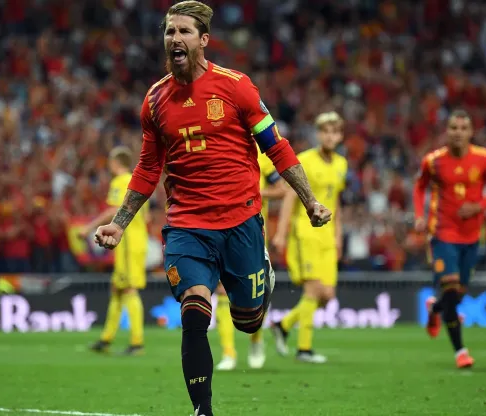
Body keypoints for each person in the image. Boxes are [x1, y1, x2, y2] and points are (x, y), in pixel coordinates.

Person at [92, 2, 332, 415]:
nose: (175, 39)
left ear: (203, 39)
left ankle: (261, 287)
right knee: (195, 310)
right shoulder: (154, 101)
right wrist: (119, 222)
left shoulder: (236, 87)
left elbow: (276, 146)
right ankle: (203, 409)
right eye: (169, 32)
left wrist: (309, 200)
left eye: (184, 32)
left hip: (240, 222)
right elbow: (149, 167)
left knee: (248, 321)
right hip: (187, 226)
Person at [412, 110, 486, 369]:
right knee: (451, 289)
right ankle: (460, 352)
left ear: (471, 132)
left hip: (472, 236)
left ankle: (435, 309)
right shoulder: (433, 161)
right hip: (442, 233)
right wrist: (420, 216)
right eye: (453, 127)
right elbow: (419, 187)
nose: (458, 132)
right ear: (447, 131)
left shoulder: (485, 158)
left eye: (463, 128)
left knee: (458, 296)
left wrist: (479, 206)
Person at [270, 111, 347, 364]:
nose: (329, 136)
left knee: (327, 295)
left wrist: (338, 235)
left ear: (340, 136)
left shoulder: (341, 164)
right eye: (325, 131)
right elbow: (290, 197)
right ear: (318, 134)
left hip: (328, 236)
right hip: (306, 231)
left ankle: (283, 324)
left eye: (334, 131)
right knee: (314, 289)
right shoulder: (304, 160)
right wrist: (281, 233)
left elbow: (336, 201)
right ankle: (304, 349)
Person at [215, 145, 286, 371]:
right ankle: (228, 353)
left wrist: (253, 191)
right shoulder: (219, 147)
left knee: (254, 288)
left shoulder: (261, 155)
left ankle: (256, 341)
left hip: (250, 229)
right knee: (220, 289)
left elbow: (282, 189)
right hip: (218, 224)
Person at [79, 146, 149, 356]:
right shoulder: (139, 180)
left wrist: (88, 227)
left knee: (128, 289)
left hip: (127, 242)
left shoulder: (120, 181)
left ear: (115, 162)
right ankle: (106, 338)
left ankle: (137, 342)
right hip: (137, 241)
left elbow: (113, 210)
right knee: (117, 288)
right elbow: (146, 217)